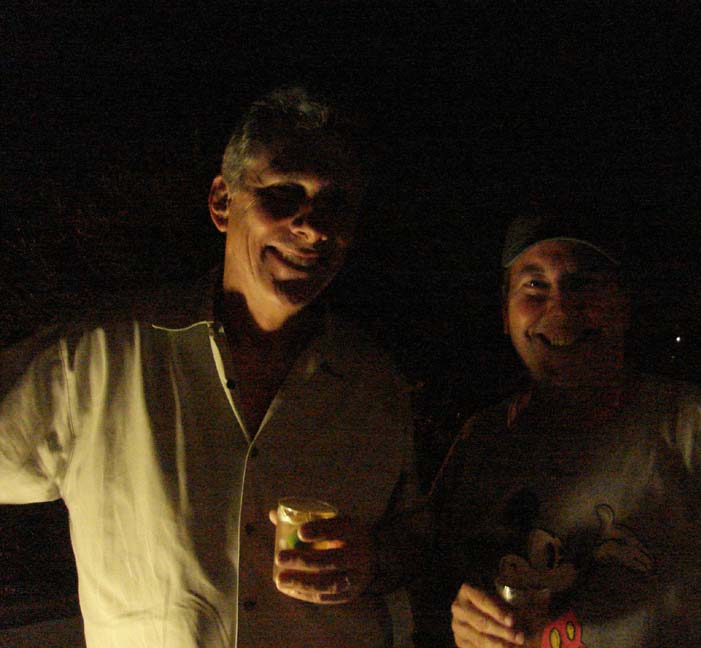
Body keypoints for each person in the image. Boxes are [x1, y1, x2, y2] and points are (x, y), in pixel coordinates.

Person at [0, 87, 421, 648]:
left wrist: (374, 562)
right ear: (223, 202)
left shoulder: (375, 386)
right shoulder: (99, 359)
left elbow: (418, 543)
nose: (314, 227)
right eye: (284, 193)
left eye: (336, 203)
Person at [416, 206, 701, 647]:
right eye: (534, 285)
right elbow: (433, 596)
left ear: (624, 306)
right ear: (505, 313)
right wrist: (463, 624)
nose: (561, 306)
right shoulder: (480, 445)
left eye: (584, 283)